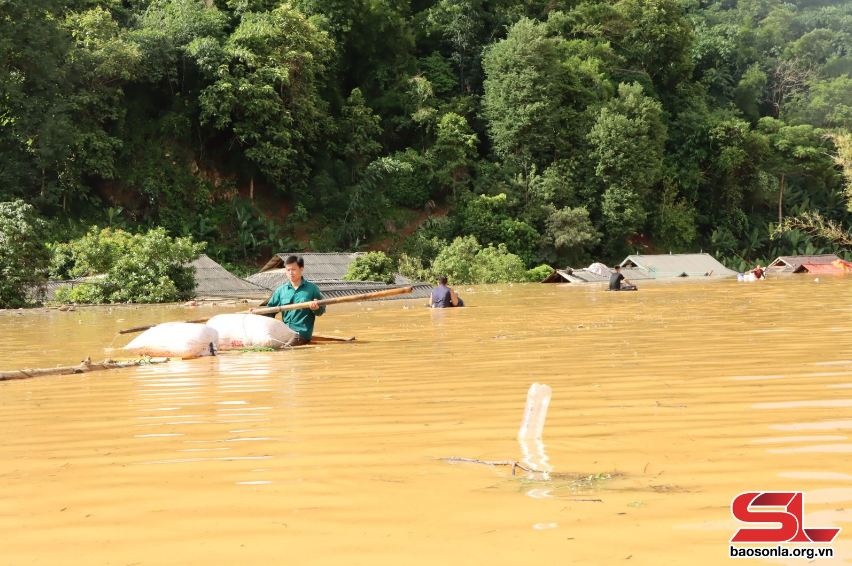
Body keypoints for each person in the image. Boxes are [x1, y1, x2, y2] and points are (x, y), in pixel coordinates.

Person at [265, 255, 325, 346]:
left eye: (293, 269)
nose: (290, 273)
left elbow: (321, 311)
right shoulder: (281, 290)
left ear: (301, 269)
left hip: (301, 334)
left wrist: (316, 308)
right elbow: (269, 312)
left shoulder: (312, 289)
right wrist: (256, 314)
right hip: (284, 332)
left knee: (284, 350)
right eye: (288, 270)